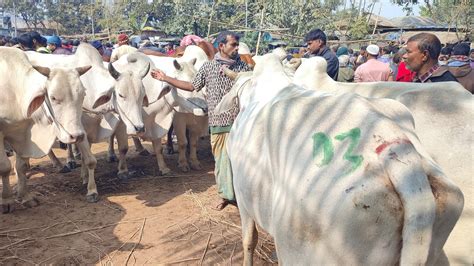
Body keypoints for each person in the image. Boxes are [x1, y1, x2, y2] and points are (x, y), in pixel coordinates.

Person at [150, 31, 251, 211]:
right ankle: (226, 195)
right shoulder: (208, 67)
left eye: (237, 45)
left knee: (241, 160)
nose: (237, 48)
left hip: (241, 121)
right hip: (219, 121)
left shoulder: (243, 67)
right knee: (221, 161)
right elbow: (191, 86)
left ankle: (243, 195)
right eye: (233, 45)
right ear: (221, 46)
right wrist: (165, 78)